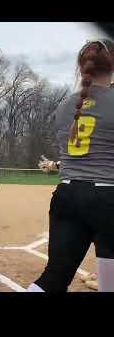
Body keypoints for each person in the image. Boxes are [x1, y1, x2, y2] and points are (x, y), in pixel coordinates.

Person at [28, 40, 114, 292]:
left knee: (54, 277)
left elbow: (82, 153)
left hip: (67, 194)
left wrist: (56, 165)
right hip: (107, 197)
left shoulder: (65, 105)